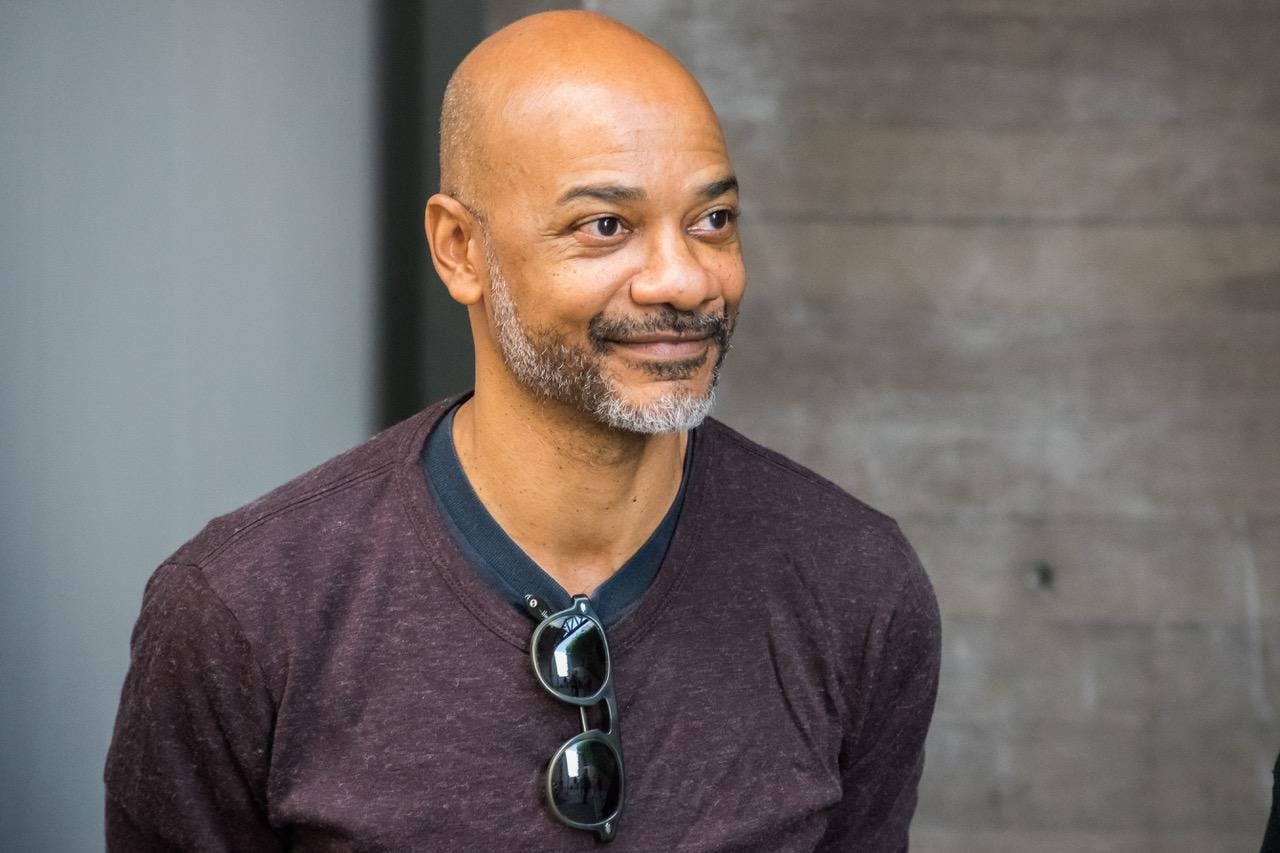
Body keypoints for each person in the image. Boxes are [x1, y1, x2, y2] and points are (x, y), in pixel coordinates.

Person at [104, 10, 940, 851]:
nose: (684, 279)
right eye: (605, 225)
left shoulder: (854, 586)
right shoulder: (241, 612)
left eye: (712, 220)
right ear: (461, 248)